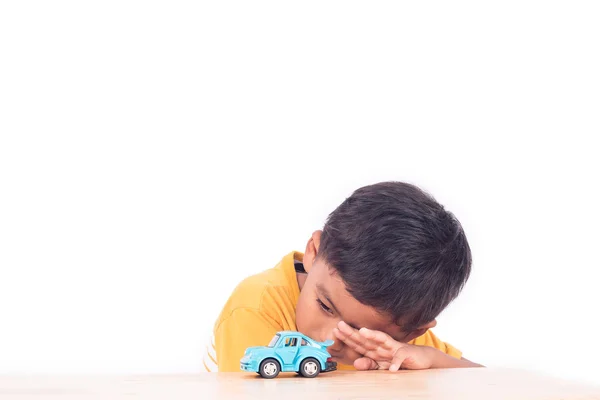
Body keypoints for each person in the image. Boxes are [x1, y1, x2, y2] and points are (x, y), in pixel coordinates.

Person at [202, 181, 481, 372]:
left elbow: (491, 385)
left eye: (360, 334)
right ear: (313, 251)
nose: (331, 340)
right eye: (325, 306)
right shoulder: (255, 309)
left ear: (413, 332)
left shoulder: (399, 342)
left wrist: (433, 360)